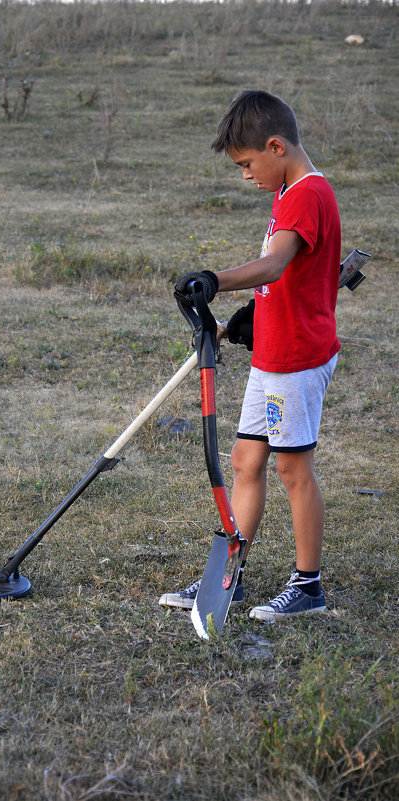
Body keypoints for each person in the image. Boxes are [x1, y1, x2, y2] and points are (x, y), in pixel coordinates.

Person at [159, 89, 341, 620]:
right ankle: (229, 578)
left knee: (293, 469)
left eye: (246, 163)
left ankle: (308, 587)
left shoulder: (307, 194)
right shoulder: (287, 192)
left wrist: (216, 280)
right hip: (273, 351)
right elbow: (288, 280)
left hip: (297, 359)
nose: (245, 174)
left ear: (276, 145)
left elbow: (276, 264)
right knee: (245, 461)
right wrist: (247, 319)